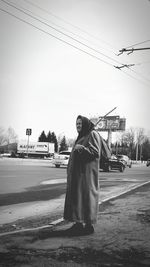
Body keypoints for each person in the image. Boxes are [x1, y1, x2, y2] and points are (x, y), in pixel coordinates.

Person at [64, 115, 101, 235]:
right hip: (79, 175)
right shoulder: (82, 135)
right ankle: (78, 224)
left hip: (87, 175)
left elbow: (96, 152)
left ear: (85, 124)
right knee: (78, 199)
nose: (78, 126)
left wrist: (82, 149)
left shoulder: (92, 134)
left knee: (87, 199)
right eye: (77, 124)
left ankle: (88, 226)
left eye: (80, 123)